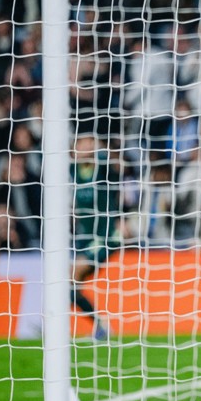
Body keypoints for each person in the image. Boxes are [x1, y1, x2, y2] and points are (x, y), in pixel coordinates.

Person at [71, 134, 122, 340]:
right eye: (81, 143)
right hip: (86, 238)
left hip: (105, 236)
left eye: (89, 142)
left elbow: (116, 161)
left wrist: (99, 147)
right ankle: (100, 326)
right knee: (69, 287)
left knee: (70, 278)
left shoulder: (102, 168)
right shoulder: (72, 171)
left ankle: (100, 325)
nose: (86, 146)